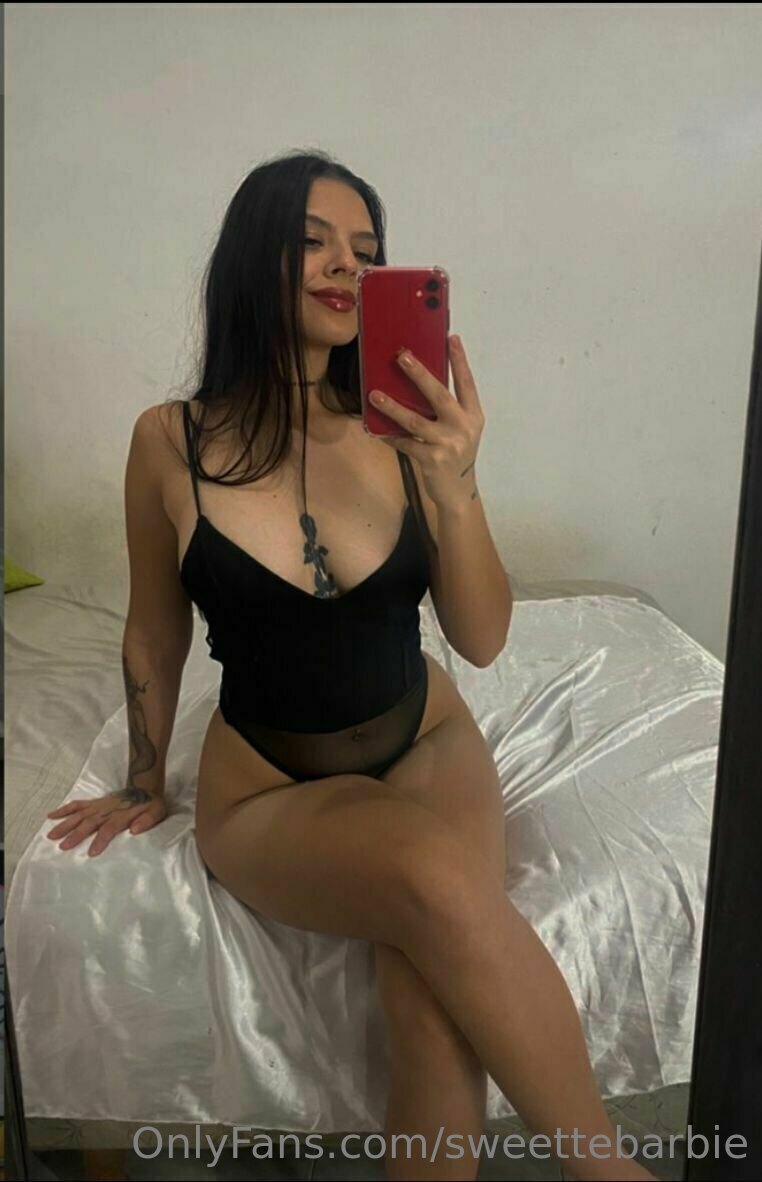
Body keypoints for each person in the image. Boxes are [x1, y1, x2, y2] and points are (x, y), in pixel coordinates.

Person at [47, 150, 656, 1182]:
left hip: (427, 740)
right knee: (430, 876)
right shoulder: (167, 442)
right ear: (254, 259)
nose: (345, 265)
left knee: (433, 1013)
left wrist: (455, 485)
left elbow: (482, 639)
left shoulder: (404, 428)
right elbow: (154, 628)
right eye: (313, 241)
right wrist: (146, 779)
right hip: (270, 787)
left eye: (366, 251)